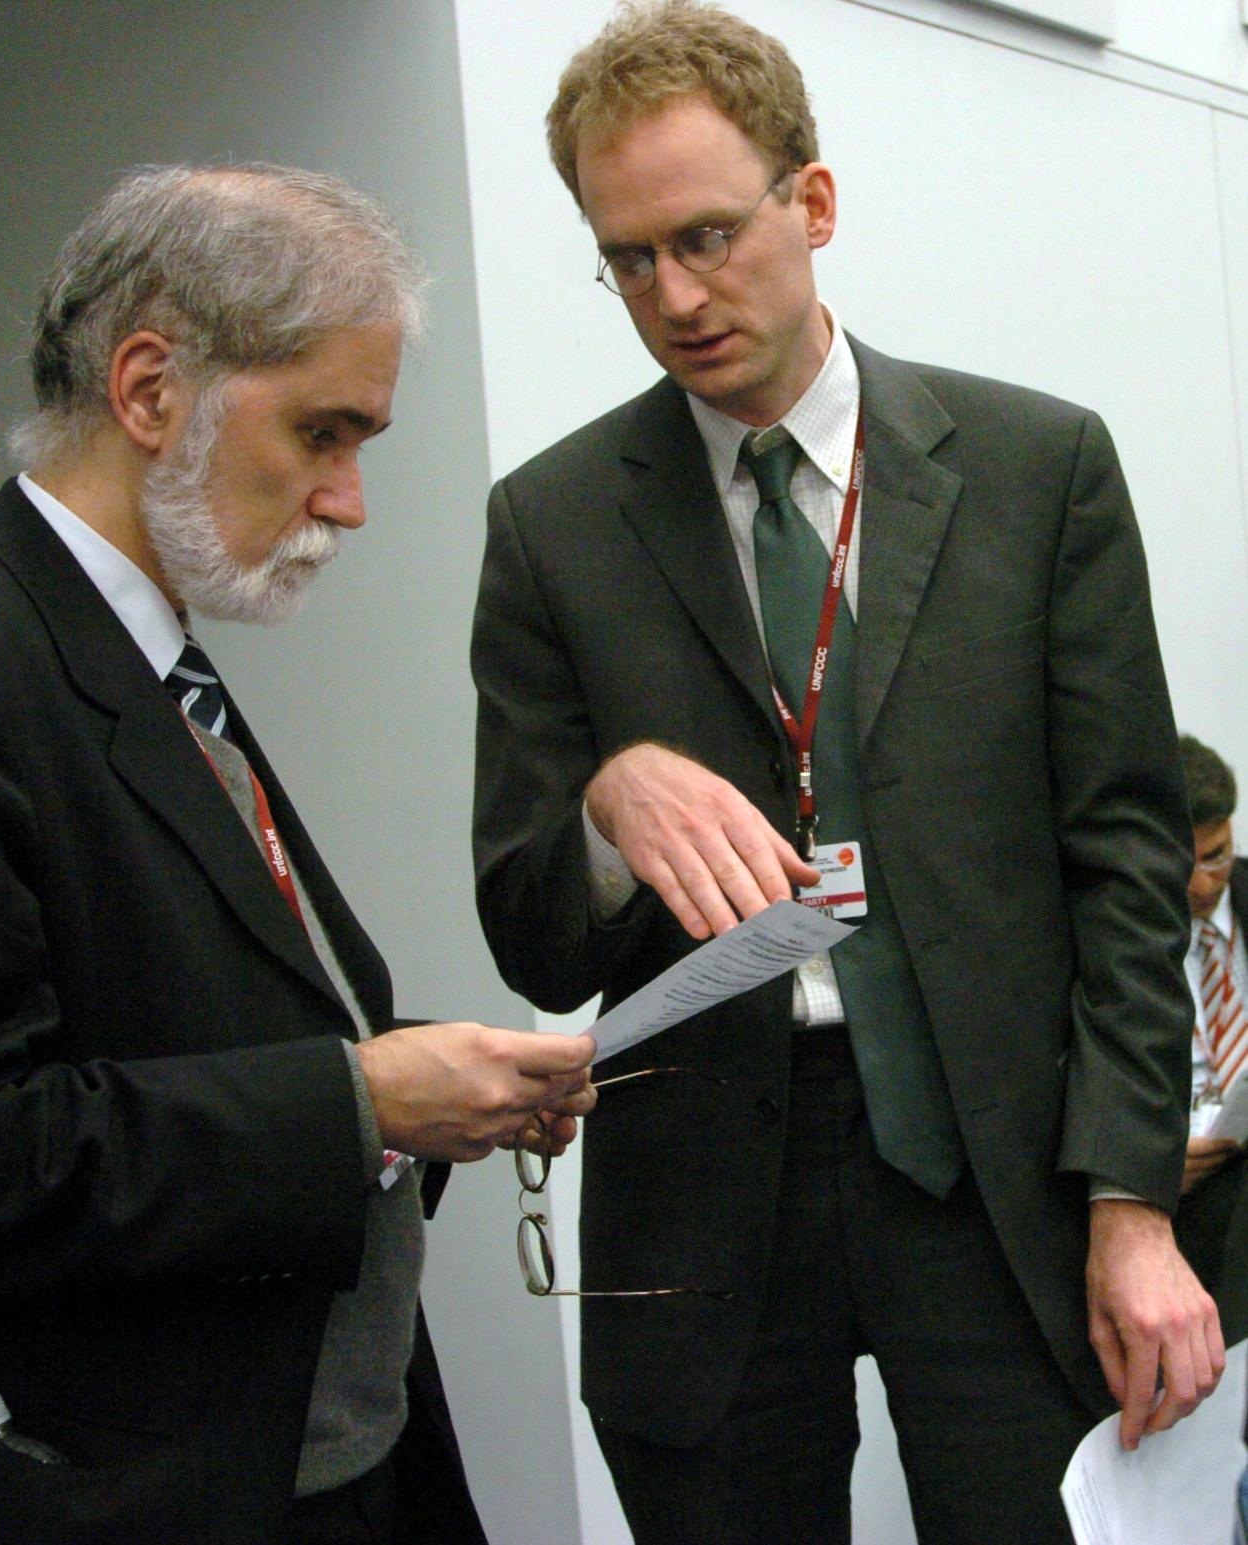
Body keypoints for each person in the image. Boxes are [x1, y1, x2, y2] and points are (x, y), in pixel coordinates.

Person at [469, 4, 1221, 1541]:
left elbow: (1128, 868)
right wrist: (605, 811)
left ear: (811, 203)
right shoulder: (553, 525)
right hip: (705, 1204)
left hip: (998, 1176)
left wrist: (1134, 1203)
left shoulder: (1036, 470)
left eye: (705, 237)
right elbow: (534, 936)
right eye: (627, 259)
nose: (676, 297)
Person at [0, 162, 596, 1545]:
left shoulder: (145, 654)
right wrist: (361, 1102)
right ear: (149, 389)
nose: (349, 502)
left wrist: (429, 1082)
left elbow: (184, 1016)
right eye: (321, 433)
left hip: (324, 1451)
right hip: (146, 1483)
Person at [1175, 734, 1248, 1338]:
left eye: (1217, 857)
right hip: (1173, 1187)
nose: (1202, 886)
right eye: (1184, 864)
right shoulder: (1108, 929)